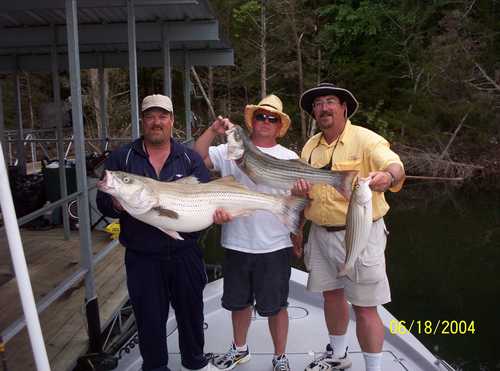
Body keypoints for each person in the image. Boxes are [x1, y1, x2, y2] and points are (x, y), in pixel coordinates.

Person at [96, 94, 217, 371]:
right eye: (150, 116)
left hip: (186, 254)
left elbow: (205, 200)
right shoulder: (122, 158)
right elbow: (103, 203)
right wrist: (115, 201)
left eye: (162, 116)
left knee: (191, 314)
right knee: (149, 319)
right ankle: (154, 367)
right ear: (143, 120)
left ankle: (195, 363)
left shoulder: (189, 158)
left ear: (172, 121)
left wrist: (217, 216)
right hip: (143, 257)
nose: (156, 122)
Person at [291, 83, 405, 371]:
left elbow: (395, 165)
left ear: (344, 107)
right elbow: (305, 195)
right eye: (318, 104)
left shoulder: (366, 140)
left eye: (330, 101)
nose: (324, 107)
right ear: (314, 112)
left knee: (365, 307)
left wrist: (387, 178)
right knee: (331, 296)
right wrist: (298, 229)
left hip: (360, 234)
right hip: (319, 233)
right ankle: (338, 356)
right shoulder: (310, 146)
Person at [193, 95, 297, 371]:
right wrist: (213, 131)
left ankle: (280, 357)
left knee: (277, 305)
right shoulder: (231, 149)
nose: (265, 121)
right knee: (238, 303)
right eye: (260, 116)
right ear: (252, 121)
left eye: (272, 118)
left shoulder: (289, 157)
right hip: (237, 242)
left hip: (275, 244)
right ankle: (239, 349)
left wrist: (302, 199)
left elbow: (299, 202)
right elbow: (197, 158)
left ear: (279, 126)